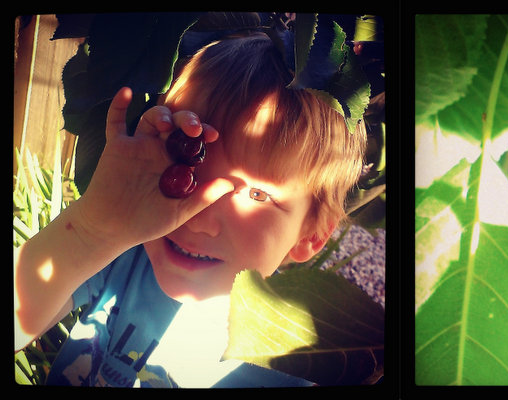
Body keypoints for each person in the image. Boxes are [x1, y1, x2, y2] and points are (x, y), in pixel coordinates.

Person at [14, 33, 367, 387]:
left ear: (311, 236)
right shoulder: (121, 256)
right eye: (185, 165)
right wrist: (93, 231)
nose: (197, 216)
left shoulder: (289, 368)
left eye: (257, 194)